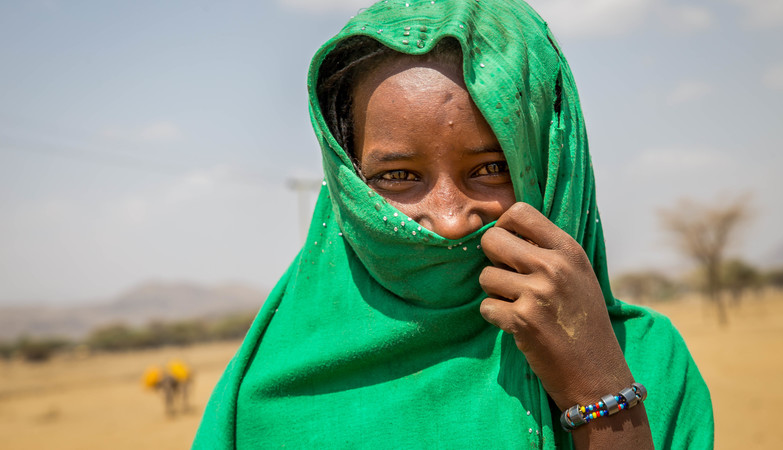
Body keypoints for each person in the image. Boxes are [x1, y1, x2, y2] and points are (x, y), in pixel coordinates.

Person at [193, 1, 713, 448]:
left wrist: (600, 396)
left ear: (552, 166)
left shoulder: (642, 362)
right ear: (349, 184)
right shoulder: (268, 394)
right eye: (398, 176)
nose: (448, 220)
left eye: (492, 168)